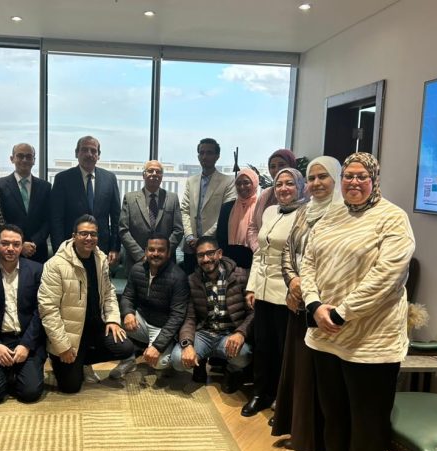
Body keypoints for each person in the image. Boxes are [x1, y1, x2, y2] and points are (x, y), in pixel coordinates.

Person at [302, 152, 415, 451]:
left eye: (361, 176)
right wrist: (314, 305)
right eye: (348, 176)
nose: (353, 182)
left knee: (367, 428)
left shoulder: (392, 218)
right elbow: (308, 262)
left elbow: (386, 277)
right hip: (326, 337)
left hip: (370, 343)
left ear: (374, 179)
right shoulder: (332, 216)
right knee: (334, 420)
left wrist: (341, 313)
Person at [272, 156, 342, 451]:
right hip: (298, 303)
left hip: (325, 307)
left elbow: (338, 263)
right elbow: (288, 251)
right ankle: (301, 436)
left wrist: (310, 290)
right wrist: (293, 282)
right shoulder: (304, 211)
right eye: (312, 178)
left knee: (319, 376)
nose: (316, 183)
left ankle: (320, 444)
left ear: (336, 179)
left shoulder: (343, 214)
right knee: (299, 373)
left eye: (323, 177)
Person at [38, 214, 134, 393]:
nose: (89, 238)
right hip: (70, 334)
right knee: (70, 387)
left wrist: (113, 319)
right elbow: (48, 310)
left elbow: (109, 293)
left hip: (94, 327)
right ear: (74, 236)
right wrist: (63, 347)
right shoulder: (55, 265)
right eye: (83, 233)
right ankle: (62, 359)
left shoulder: (100, 259)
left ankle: (82, 361)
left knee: (125, 347)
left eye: (93, 234)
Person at [241, 168, 306, 418]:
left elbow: (303, 257)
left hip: (287, 293)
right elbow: (260, 253)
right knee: (263, 345)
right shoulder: (269, 211)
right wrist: (252, 286)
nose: (283, 188)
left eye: (290, 183)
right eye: (279, 184)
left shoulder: (306, 214)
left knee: (283, 349)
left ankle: (282, 399)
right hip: (263, 290)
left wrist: (296, 290)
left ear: (300, 186)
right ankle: (260, 393)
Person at [0, 225, 46, 405]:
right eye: (5, 243)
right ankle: (6, 374)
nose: (10, 248)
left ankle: (14, 374)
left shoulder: (37, 270)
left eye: (16, 244)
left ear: (22, 246)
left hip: (26, 340)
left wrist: (26, 345)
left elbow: (41, 311)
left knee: (29, 394)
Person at [171, 236, 253, 393]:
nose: (206, 259)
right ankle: (199, 363)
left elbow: (252, 313)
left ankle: (232, 370)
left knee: (244, 355)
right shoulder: (192, 280)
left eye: (210, 253)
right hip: (204, 334)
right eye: (201, 255)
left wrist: (241, 333)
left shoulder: (241, 276)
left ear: (219, 253)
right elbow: (189, 318)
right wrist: (187, 344)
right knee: (177, 359)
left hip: (230, 334)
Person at [110, 235, 189, 379]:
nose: (155, 254)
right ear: (146, 251)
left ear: (168, 253)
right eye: (152, 249)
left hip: (162, 327)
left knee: (158, 363)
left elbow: (177, 317)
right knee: (111, 323)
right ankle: (128, 360)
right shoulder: (137, 269)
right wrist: (128, 313)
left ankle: (163, 347)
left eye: (161, 250)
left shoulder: (178, 277)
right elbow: (127, 296)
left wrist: (157, 346)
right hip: (141, 319)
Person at [49, 136, 121, 267]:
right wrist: (59, 251)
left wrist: (115, 248)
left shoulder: (110, 179)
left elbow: (116, 217)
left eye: (93, 151)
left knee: (99, 280)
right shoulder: (62, 179)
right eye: (84, 150)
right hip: (70, 248)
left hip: (101, 248)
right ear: (76, 153)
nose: (89, 154)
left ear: (98, 155)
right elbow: (56, 218)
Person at [180, 138, 236, 274]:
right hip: (190, 247)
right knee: (189, 282)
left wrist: (203, 240)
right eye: (202, 153)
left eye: (209, 153)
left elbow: (224, 216)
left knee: (212, 283)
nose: (205, 156)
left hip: (213, 247)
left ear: (217, 156)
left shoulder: (228, 182)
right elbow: (185, 211)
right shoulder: (191, 181)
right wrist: (189, 236)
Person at [118, 160, 184, 274]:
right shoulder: (130, 198)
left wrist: (163, 252)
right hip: (137, 261)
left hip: (166, 263)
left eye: (158, 172)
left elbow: (178, 230)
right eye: (150, 171)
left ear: (162, 176)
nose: (154, 174)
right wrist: (140, 255)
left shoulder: (172, 198)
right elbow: (123, 230)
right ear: (143, 175)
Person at [0, 143, 52, 262]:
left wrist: (34, 242)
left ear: (34, 160)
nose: (24, 160)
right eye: (20, 156)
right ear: (12, 159)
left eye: (29, 156)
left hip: (37, 250)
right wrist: (19, 244)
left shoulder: (45, 187)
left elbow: (48, 220)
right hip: (9, 250)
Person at [246, 149, 297, 251]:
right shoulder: (266, 194)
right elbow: (253, 227)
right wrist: (257, 248)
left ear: (292, 166)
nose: (276, 169)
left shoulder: (305, 193)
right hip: (263, 255)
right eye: (272, 166)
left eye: (281, 165)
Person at [215, 168, 259, 269]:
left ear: (254, 183)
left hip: (254, 260)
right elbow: (220, 237)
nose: (242, 187)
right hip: (230, 260)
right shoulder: (227, 207)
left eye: (246, 183)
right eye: (238, 183)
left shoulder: (261, 207)